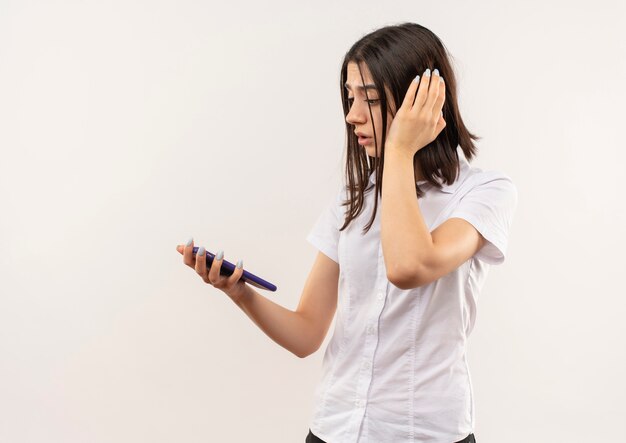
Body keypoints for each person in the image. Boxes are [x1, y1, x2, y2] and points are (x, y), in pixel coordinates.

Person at [176, 22, 516, 443]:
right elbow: (306, 333)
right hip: (334, 428)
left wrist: (400, 149)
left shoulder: (483, 193)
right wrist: (239, 292)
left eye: (370, 98)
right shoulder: (353, 199)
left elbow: (409, 265)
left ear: (424, 100)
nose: (352, 114)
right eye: (349, 96)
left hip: (425, 433)